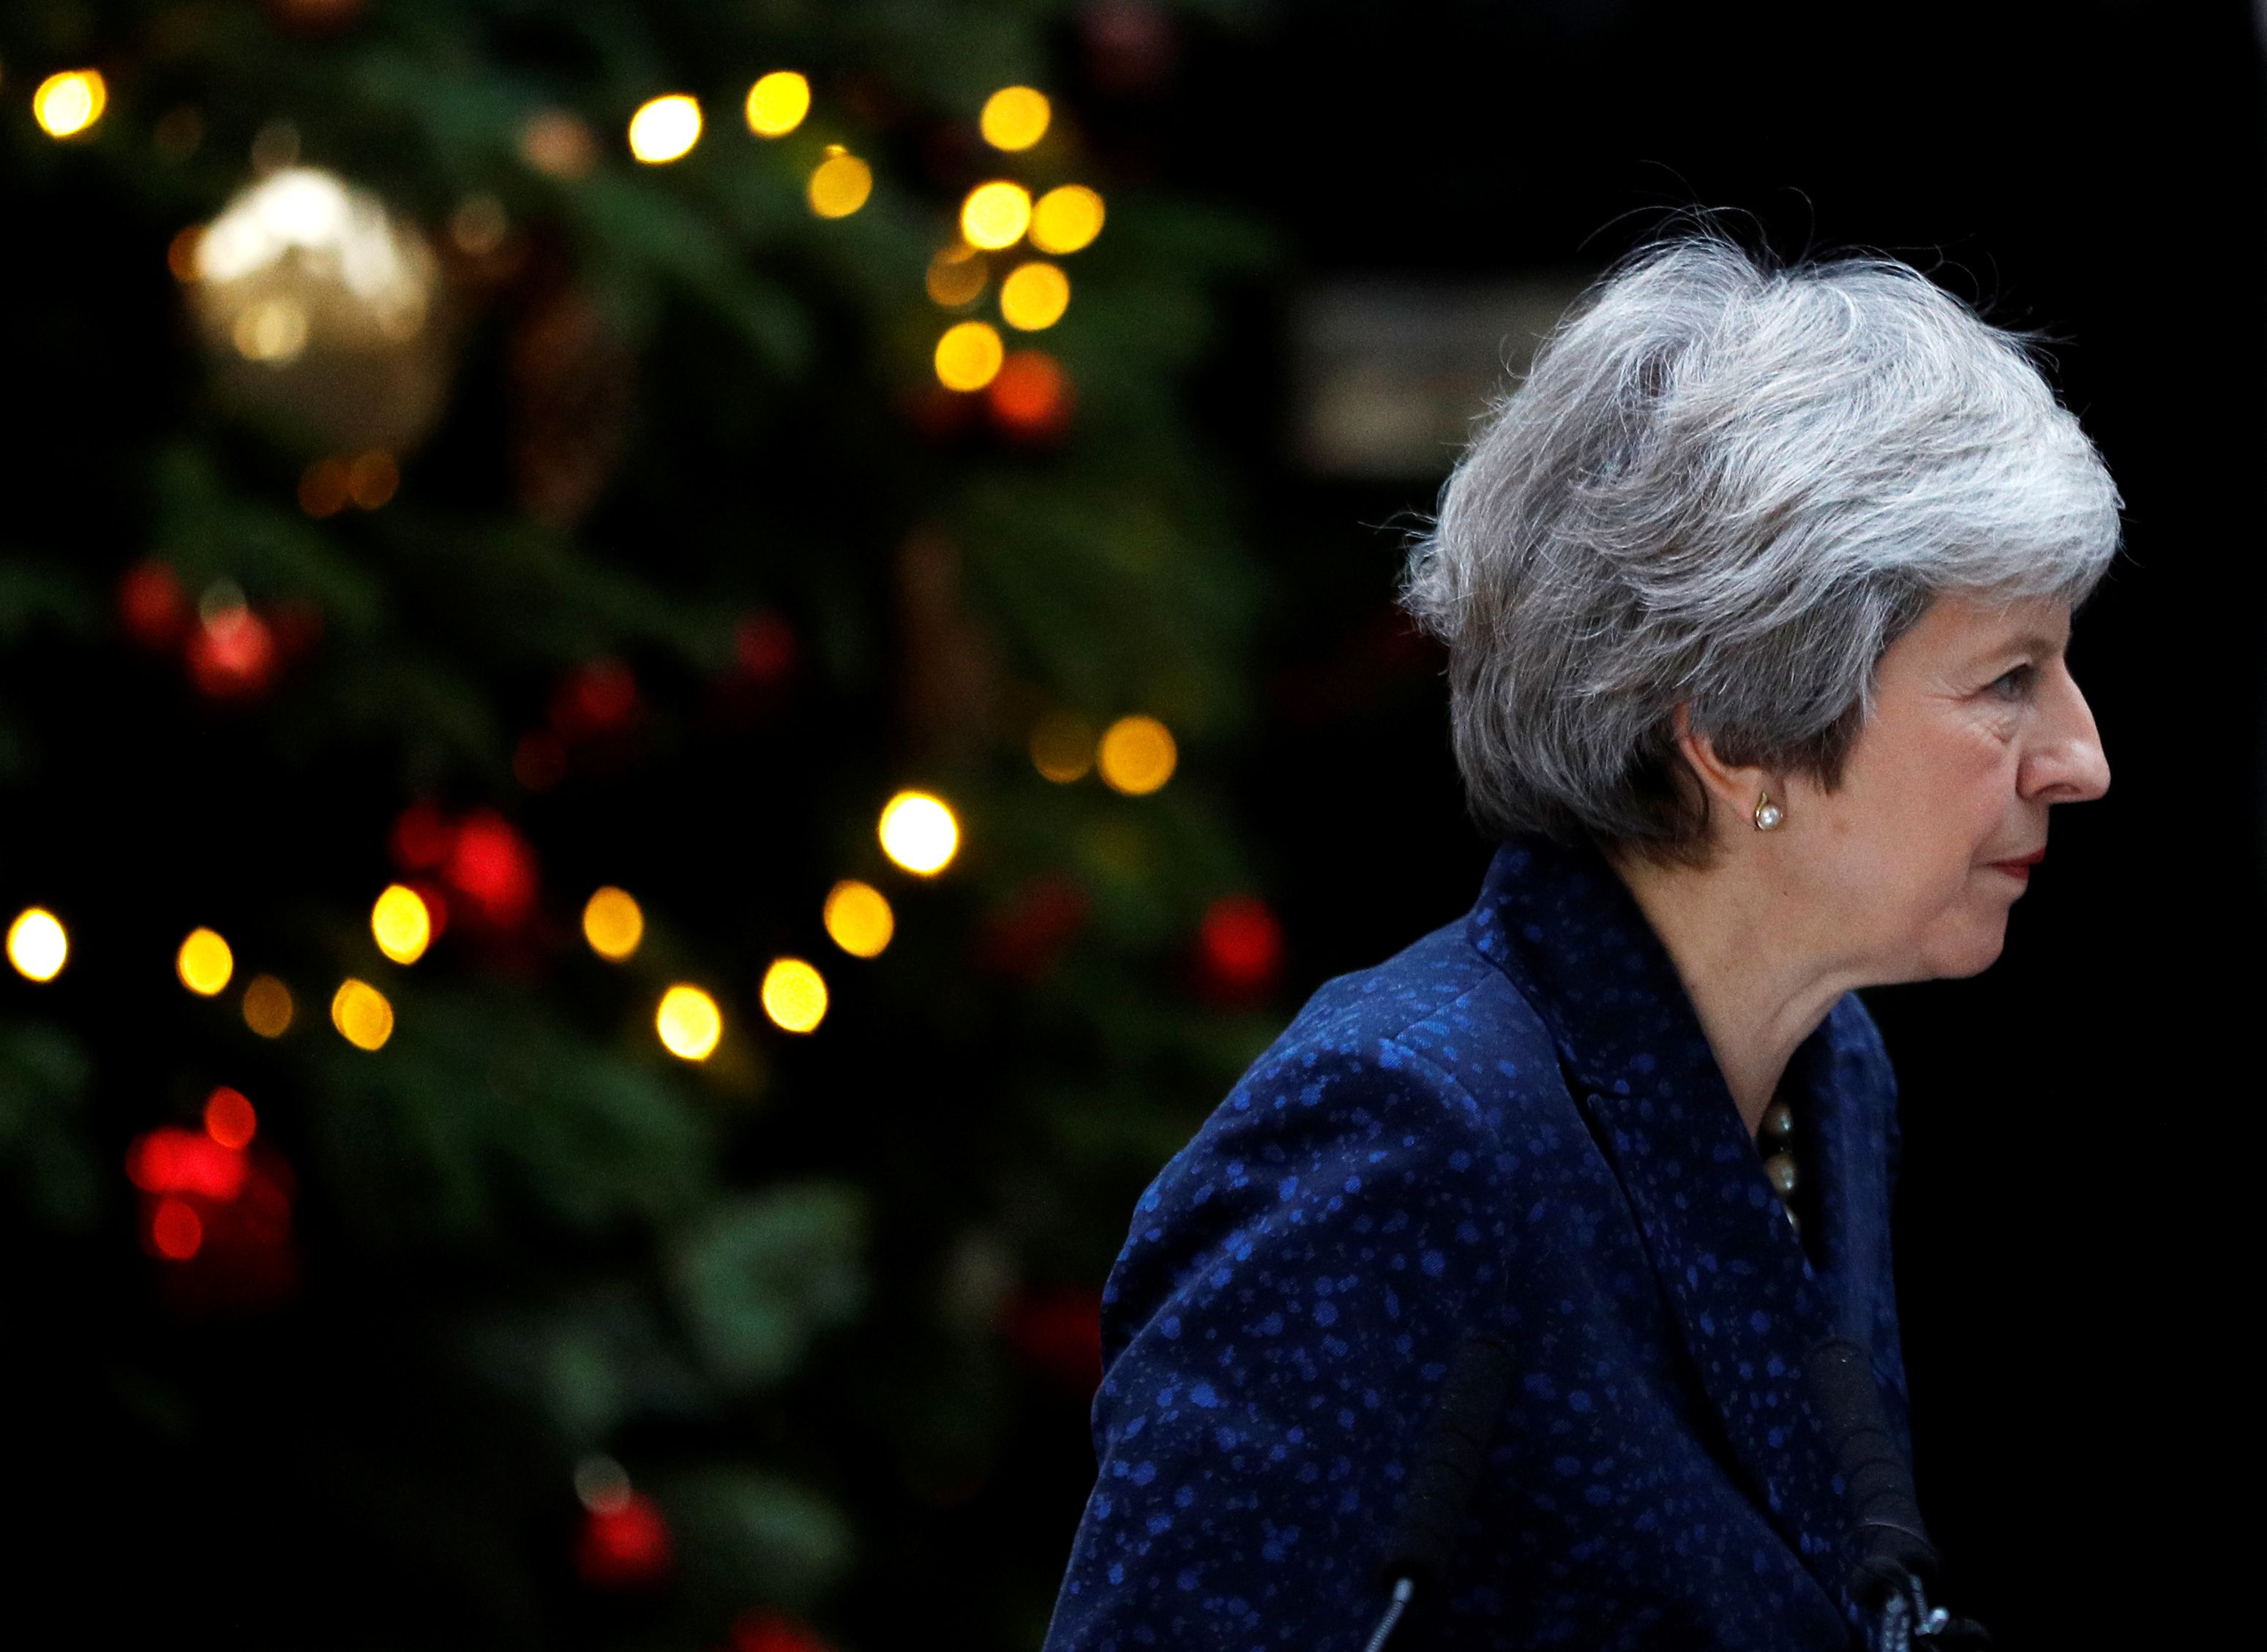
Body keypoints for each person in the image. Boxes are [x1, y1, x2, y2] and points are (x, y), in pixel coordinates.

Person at [1041, 236, 2116, 1650]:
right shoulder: (1397, 1137)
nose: (2081, 757)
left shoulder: (1828, 1070)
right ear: (1736, 732)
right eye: (2008, 679)